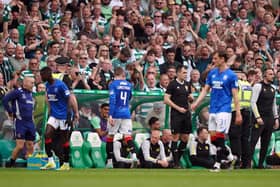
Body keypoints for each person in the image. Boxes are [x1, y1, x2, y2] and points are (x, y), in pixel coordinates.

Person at [191, 51, 242, 171]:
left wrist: (238, 113)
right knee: (213, 140)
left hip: (224, 109)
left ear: (223, 59)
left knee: (219, 137)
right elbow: (205, 90)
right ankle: (231, 157)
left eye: (216, 58)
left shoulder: (231, 75)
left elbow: (235, 95)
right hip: (213, 109)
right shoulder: (212, 73)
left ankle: (217, 165)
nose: (213, 61)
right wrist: (196, 103)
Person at [39, 67, 79, 171]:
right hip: (54, 115)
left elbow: (69, 98)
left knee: (64, 139)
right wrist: (50, 110)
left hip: (64, 115)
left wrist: (71, 114)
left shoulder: (60, 85)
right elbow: (48, 98)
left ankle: (66, 164)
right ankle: (51, 161)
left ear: (48, 75)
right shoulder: (47, 85)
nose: (41, 77)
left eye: (42, 75)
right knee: (46, 134)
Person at [106, 67, 137, 168]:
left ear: (115, 75)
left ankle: (110, 162)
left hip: (116, 113)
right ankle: (134, 155)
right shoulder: (129, 85)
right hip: (126, 113)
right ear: (122, 74)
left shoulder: (113, 84)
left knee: (110, 136)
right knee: (127, 136)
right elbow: (129, 97)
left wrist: (110, 115)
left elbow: (112, 99)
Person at [2, 76, 36, 167]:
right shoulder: (18, 92)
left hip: (30, 122)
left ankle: (30, 163)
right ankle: (11, 162)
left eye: (34, 83)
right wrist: (10, 111)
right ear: (25, 83)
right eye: (31, 83)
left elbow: (31, 109)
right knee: (20, 146)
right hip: (20, 122)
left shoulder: (32, 94)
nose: (33, 85)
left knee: (30, 145)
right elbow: (5, 100)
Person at [164, 64, 193, 168]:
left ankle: (176, 159)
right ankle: (176, 163)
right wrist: (178, 108)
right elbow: (166, 99)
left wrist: (190, 101)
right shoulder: (172, 84)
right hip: (176, 114)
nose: (186, 75)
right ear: (178, 73)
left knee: (185, 137)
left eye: (186, 73)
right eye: (184, 73)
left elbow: (188, 96)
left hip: (186, 114)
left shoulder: (187, 84)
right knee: (175, 137)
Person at [250, 68, 279, 169]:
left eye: (273, 74)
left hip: (269, 118)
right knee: (253, 141)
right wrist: (257, 116)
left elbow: (274, 105)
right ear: (265, 75)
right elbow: (253, 102)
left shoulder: (273, 88)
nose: (273, 76)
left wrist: (276, 118)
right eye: (270, 74)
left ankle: (261, 164)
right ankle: (247, 162)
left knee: (265, 142)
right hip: (259, 117)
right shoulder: (258, 86)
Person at [229, 70, 252, 169]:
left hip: (236, 111)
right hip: (247, 111)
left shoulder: (236, 83)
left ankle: (237, 160)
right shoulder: (247, 84)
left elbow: (233, 97)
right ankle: (246, 162)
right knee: (245, 138)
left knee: (235, 137)